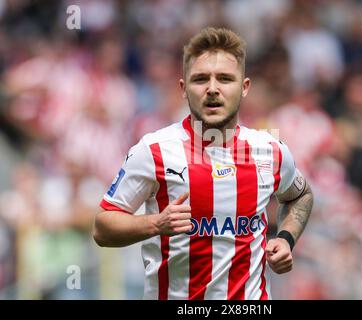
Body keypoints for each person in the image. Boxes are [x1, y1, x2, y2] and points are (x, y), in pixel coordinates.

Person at [93, 27, 314, 300]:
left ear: (244, 87)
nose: (212, 89)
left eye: (224, 78)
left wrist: (285, 238)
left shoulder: (269, 150)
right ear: (184, 89)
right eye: (200, 79)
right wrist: (154, 224)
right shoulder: (153, 151)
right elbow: (102, 227)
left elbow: (300, 195)